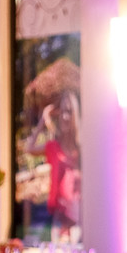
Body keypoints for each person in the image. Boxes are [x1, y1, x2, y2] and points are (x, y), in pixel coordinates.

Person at [24, 88, 81, 242]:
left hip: (78, 217)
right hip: (58, 216)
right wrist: (43, 120)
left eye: (68, 111)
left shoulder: (81, 148)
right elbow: (29, 148)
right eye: (62, 111)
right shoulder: (54, 147)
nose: (64, 116)